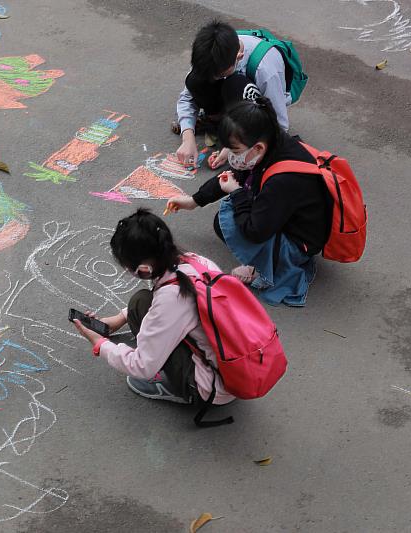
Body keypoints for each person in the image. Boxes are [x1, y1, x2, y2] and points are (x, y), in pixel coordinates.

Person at [166, 97, 331, 306]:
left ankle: (267, 268)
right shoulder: (272, 143)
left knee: (233, 222)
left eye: (234, 151)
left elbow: (254, 232)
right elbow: (234, 173)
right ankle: (271, 258)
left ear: (258, 148)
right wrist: (193, 201)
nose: (231, 158)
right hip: (290, 220)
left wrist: (236, 193)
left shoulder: (282, 179)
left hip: (300, 242)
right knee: (223, 221)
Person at [71, 208, 236, 410]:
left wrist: (100, 344)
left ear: (143, 269)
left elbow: (141, 365)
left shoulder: (172, 298)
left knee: (148, 347)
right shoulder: (194, 261)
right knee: (139, 303)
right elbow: (167, 307)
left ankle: (183, 388)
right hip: (234, 363)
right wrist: (118, 319)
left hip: (214, 387)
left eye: (126, 267)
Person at [174, 21, 293, 170]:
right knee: (196, 79)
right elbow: (187, 97)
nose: (214, 79)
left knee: (235, 83)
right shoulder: (209, 55)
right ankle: (218, 121)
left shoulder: (266, 69)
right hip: (232, 94)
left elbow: (279, 124)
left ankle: (232, 127)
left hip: (253, 99)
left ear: (239, 56)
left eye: (219, 75)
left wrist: (231, 147)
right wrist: (187, 137)